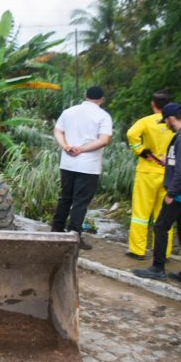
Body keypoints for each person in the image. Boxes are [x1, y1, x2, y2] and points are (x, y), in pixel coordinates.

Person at [134, 103, 181, 284]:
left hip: (179, 194)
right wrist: (170, 161)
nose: (165, 124)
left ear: (171, 118)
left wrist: (171, 194)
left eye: (165, 120)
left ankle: (157, 268)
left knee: (160, 227)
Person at [51, 86, 113, 250]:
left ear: (85, 96)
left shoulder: (69, 111)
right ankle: (74, 236)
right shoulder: (103, 116)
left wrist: (65, 146)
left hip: (68, 163)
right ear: (101, 100)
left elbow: (58, 131)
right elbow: (104, 140)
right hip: (88, 166)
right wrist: (82, 149)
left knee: (65, 197)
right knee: (80, 202)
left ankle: (56, 230)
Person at [125, 90, 176, 260]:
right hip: (169, 174)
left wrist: (141, 151)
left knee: (141, 214)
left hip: (147, 172)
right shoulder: (174, 123)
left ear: (152, 104)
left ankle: (138, 251)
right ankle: (163, 252)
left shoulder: (146, 121)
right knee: (164, 214)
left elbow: (131, 134)